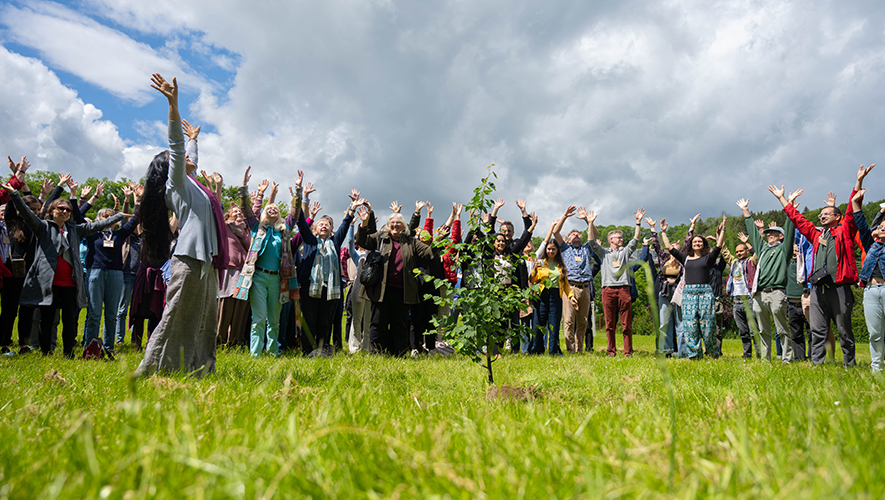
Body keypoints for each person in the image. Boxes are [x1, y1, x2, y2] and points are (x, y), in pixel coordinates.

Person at [136, 73, 228, 377]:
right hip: (189, 258)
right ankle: (151, 369)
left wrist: (194, 140)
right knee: (175, 314)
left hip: (207, 260)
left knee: (204, 317)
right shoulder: (176, 185)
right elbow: (175, 145)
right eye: (183, 157)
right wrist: (173, 104)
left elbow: (190, 156)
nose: (189, 157)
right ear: (171, 166)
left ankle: (198, 369)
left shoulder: (194, 184)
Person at [2, 178, 126, 356]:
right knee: (47, 319)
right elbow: (27, 214)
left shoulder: (75, 229)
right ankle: (46, 351)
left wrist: (119, 216)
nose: (65, 211)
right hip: (48, 281)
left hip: (70, 282)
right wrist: (14, 194)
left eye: (67, 209)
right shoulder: (42, 227)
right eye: (60, 208)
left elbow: (97, 225)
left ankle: (68, 352)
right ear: (51, 211)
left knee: (69, 319)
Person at [776, 165, 870, 366]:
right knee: (818, 330)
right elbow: (798, 219)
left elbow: (853, 209)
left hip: (839, 288)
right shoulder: (817, 235)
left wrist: (859, 181)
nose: (822, 216)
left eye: (827, 213)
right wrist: (782, 199)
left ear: (837, 217)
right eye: (820, 214)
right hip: (817, 289)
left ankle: (849, 365)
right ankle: (817, 364)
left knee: (844, 329)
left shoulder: (844, 230)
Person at [294, 172, 362, 357]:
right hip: (311, 287)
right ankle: (309, 350)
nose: (324, 226)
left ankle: (324, 350)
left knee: (325, 320)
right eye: (320, 224)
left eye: (327, 225)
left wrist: (352, 207)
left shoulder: (335, 242)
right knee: (310, 319)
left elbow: (346, 224)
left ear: (331, 229)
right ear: (315, 229)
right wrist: (302, 195)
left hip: (331, 288)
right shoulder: (310, 241)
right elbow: (300, 221)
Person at [356, 206, 437, 356]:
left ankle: (398, 353)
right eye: (392, 222)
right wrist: (364, 224)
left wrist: (439, 240)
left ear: (404, 226)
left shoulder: (410, 242)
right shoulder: (381, 237)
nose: (395, 225)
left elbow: (428, 252)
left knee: (399, 324)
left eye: (398, 222)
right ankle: (376, 353)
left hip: (402, 291)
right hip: (381, 290)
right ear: (388, 225)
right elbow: (362, 241)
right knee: (378, 323)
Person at [82, 186, 143, 352]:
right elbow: (77, 217)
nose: (108, 219)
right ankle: (90, 346)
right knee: (94, 313)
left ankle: (108, 347)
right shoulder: (91, 233)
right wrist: (86, 198)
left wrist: (137, 200)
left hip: (116, 273)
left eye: (111, 217)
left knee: (111, 314)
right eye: (104, 216)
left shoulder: (118, 234)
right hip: (95, 272)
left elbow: (134, 221)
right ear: (98, 219)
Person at [736, 197, 795, 362]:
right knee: (762, 330)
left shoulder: (784, 250)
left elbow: (790, 231)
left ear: (781, 237)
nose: (770, 235)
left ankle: (787, 359)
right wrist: (746, 211)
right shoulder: (762, 249)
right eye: (769, 233)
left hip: (777, 293)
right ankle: (765, 359)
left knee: (782, 329)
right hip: (760, 293)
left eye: (774, 233)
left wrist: (789, 210)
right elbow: (754, 233)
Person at [661, 220, 726, 359]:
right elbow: (668, 246)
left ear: (704, 244)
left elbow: (719, 245)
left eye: (700, 242)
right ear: (691, 244)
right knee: (690, 326)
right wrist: (663, 231)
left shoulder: (708, 258)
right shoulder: (685, 258)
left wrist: (723, 229)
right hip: (689, 294)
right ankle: (694, 355)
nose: (697, 243)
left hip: (705, 293)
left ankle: (712, 353)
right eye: (694, 241)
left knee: (708, 326)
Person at [589, 207, 646, 356]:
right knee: (609, 324)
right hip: (608, 290)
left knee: (627, 324)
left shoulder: (625, 252)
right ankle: (611, 351)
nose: (621, 239)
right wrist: (590, 223)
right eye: (618, 238)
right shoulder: (604, 253)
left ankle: (628, 352)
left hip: (624, 289)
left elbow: (636, 240)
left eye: (621, 237)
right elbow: (591, 241)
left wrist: (638, 223)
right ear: (611, 240)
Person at [553, 205, 600, 353]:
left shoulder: (587, 248)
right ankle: (571, 349)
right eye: (573, 234)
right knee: (568, 320)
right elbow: (555, 232)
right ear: (569, 238)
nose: (576, 236)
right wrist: (565, 216)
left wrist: (588, 220)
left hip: (585, 287)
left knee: (583, 321)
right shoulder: (565, 249)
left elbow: (596, 235)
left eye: (578, 234)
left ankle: (579, 349)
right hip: (570, 288)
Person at [532, 218, 578, 355]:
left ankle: (553, 350)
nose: (551, 251)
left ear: (557, 251)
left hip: (555, 297)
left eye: (553, 249)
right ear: (546, 250)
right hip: (541, 296)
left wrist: (571, 296)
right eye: (549, 249)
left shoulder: (561, 266)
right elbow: (532, 279)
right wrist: (534, 270)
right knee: (539, 324)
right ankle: (537, 350)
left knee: (554, 326)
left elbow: (566, 285)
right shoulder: (540, 263)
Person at [851, 189, 885, 372]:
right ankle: (876, 368)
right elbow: (863, 225)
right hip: (870, 292)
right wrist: (856, 203)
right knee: (875, 333)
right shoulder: (871, 245)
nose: (882, 228)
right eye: (881, 227)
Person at [722, 233, 760, 358]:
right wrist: (720, 239)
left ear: (747, 251)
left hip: (749, 300)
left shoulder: (751, 262)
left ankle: (760, 353)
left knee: (754, 330)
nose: (739, 253)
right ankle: (747, 353)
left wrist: (747, 242)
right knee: (743, 331)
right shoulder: (734, 263)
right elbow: (726, 253)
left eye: (741, 251)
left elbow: (757, 252)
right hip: (736, 301)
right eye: (737, 251)